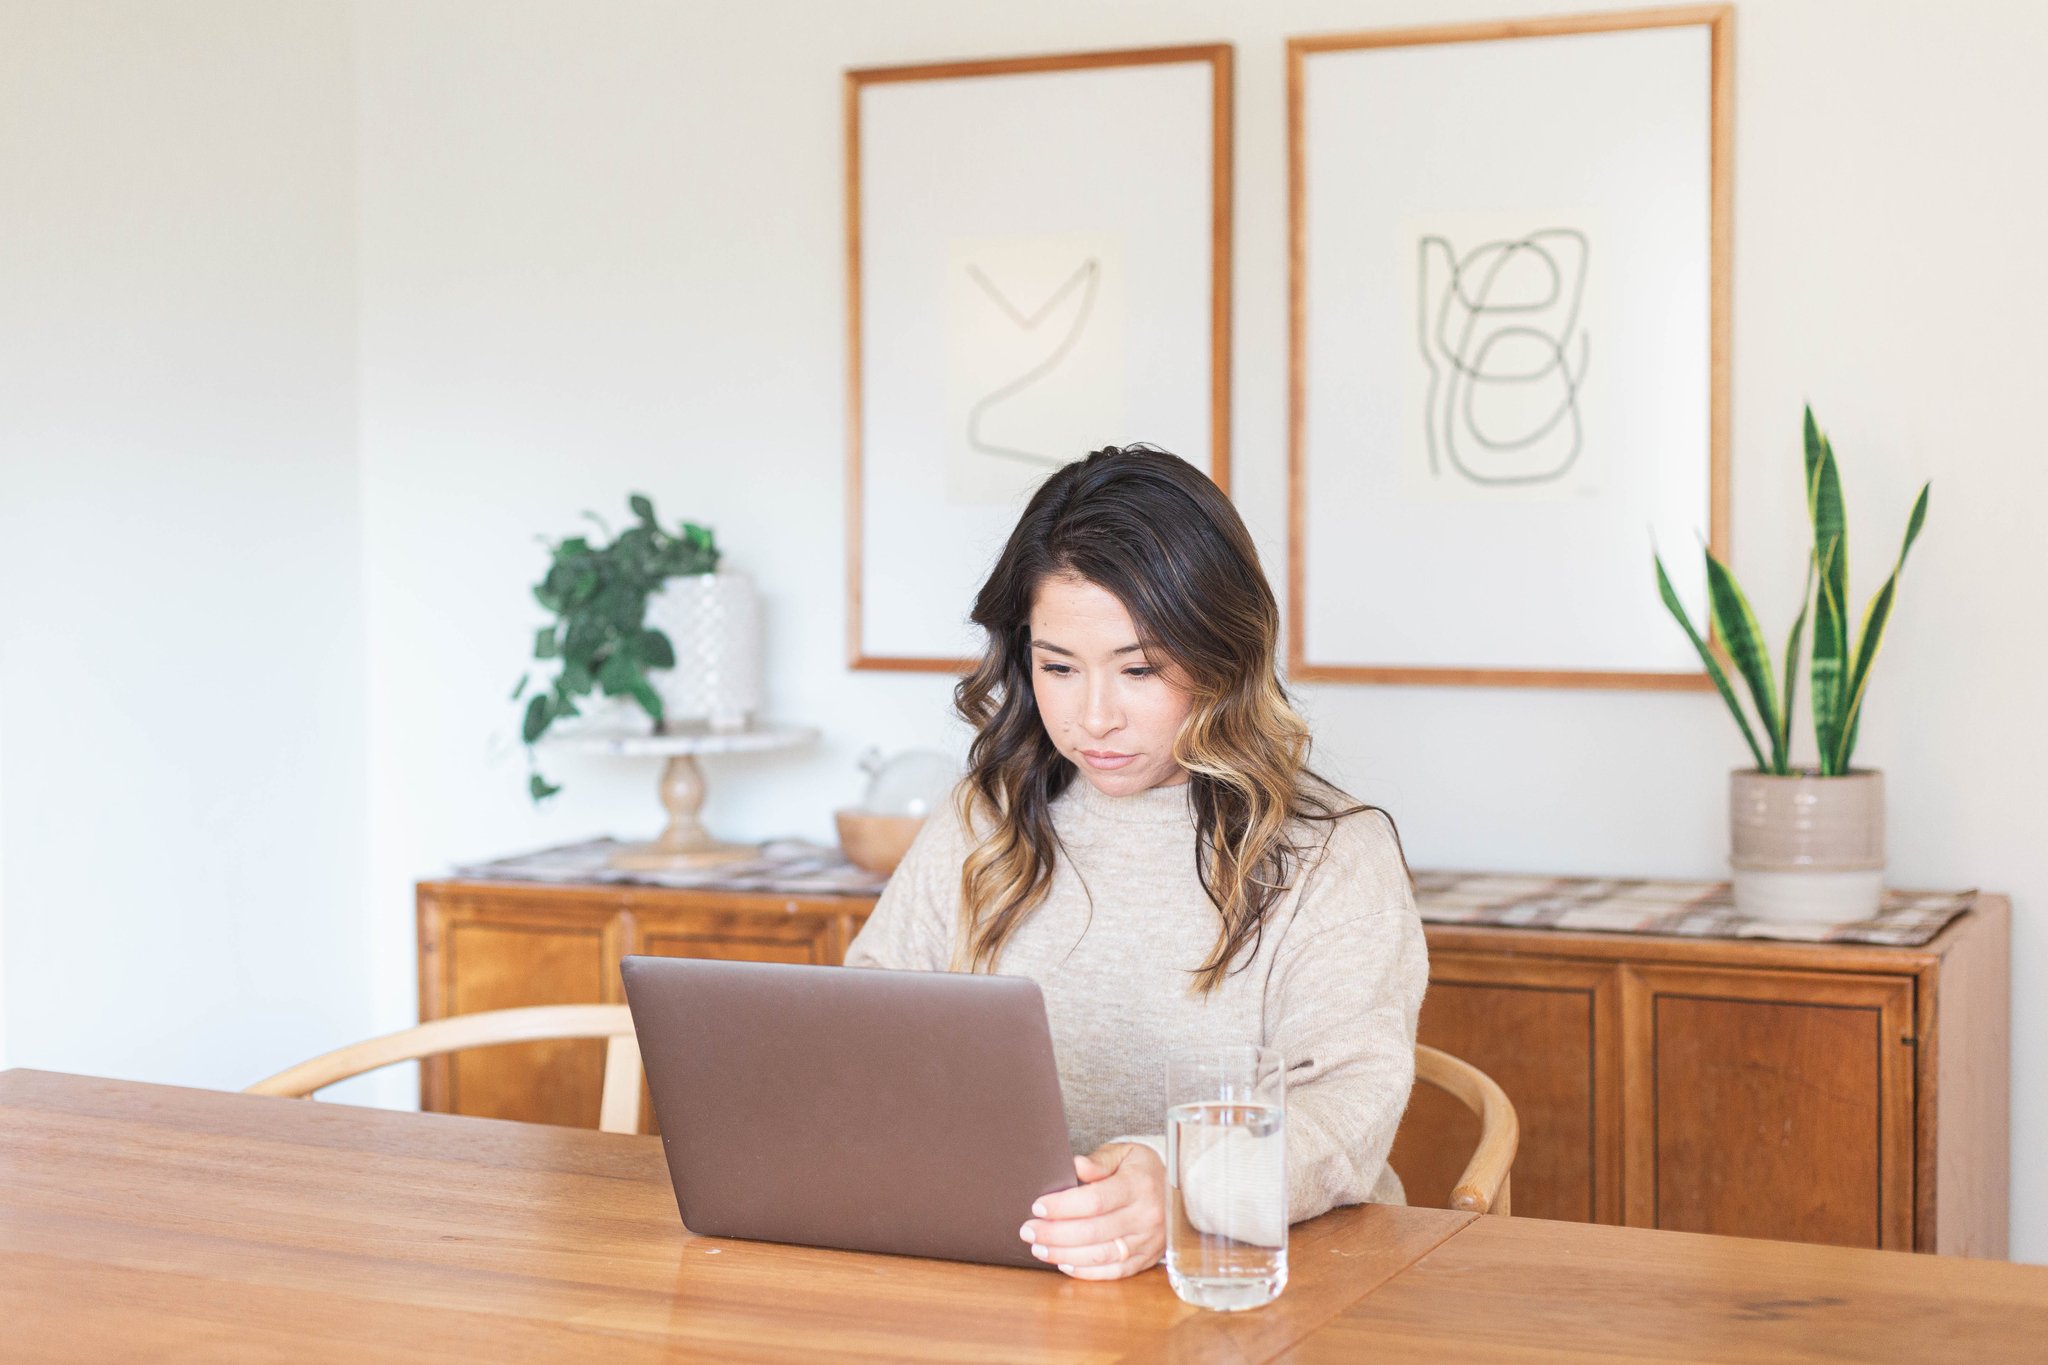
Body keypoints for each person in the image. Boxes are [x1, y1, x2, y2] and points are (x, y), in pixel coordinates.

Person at [843, 444, 1427, 1281]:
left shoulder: (1333, 852)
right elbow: (866, 1028)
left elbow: (1345, 1111)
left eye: (1140, 668)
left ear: (1221, 653)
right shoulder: (983, 819)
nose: (1093, 717)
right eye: (1058, 666)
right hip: (1014, 1270)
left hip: (1255, 1281)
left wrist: (1181, 1183)